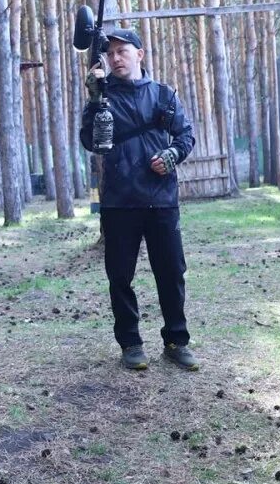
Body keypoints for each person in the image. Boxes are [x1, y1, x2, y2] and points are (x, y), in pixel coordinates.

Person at [79, 27, 198, 371]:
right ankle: (130, 343)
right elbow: (90, 141)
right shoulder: (103, 96)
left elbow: (185, 135)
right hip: (119, 201)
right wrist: (93, 100)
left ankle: (177, 341)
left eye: (122, 51)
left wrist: (173, 154)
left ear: (139, 54)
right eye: (111, 53)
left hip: (161, 200)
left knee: (171, 272)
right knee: (120, 275)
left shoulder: (163, 95)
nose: (116, 58)